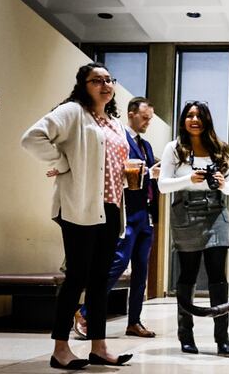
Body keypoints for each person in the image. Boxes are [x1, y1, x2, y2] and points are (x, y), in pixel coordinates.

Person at [21, 62, 134, 369]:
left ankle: (99, 346)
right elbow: (32, 138)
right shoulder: (73, 112)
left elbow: (108, 164)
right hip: (79, 208)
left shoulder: (114, 123)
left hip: (110, 208)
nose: (105, 85)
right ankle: (60, 349)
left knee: (99, 281)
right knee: (77, 278)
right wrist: (64, 161)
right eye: (96, 80)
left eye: (109, 80)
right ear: (83, 85)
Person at [74, 97, 160, 339]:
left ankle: (134, 322)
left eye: (150, 119)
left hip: (146, 214)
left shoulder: (147, 146)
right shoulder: (118, 139)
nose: (147, 122)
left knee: (142, 270)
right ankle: (85, 312)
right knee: (118, 263)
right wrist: (147, 172)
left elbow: (150, 177)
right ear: (131, 114)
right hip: (126, 211)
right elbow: (115, 170)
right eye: (145, 117)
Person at [158, 100, 229, 357]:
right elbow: (163, 185)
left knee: (218, 278)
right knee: (188, 276)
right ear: (183, 120)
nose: (194, 119)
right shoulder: (174, 148)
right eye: (189, 115)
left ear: (206, 120)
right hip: (186, 213)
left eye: (199, 115)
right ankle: (186, 336)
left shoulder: (219, 149)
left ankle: (222, 338)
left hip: (216, 213)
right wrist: (188, 179)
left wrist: (222, 182)